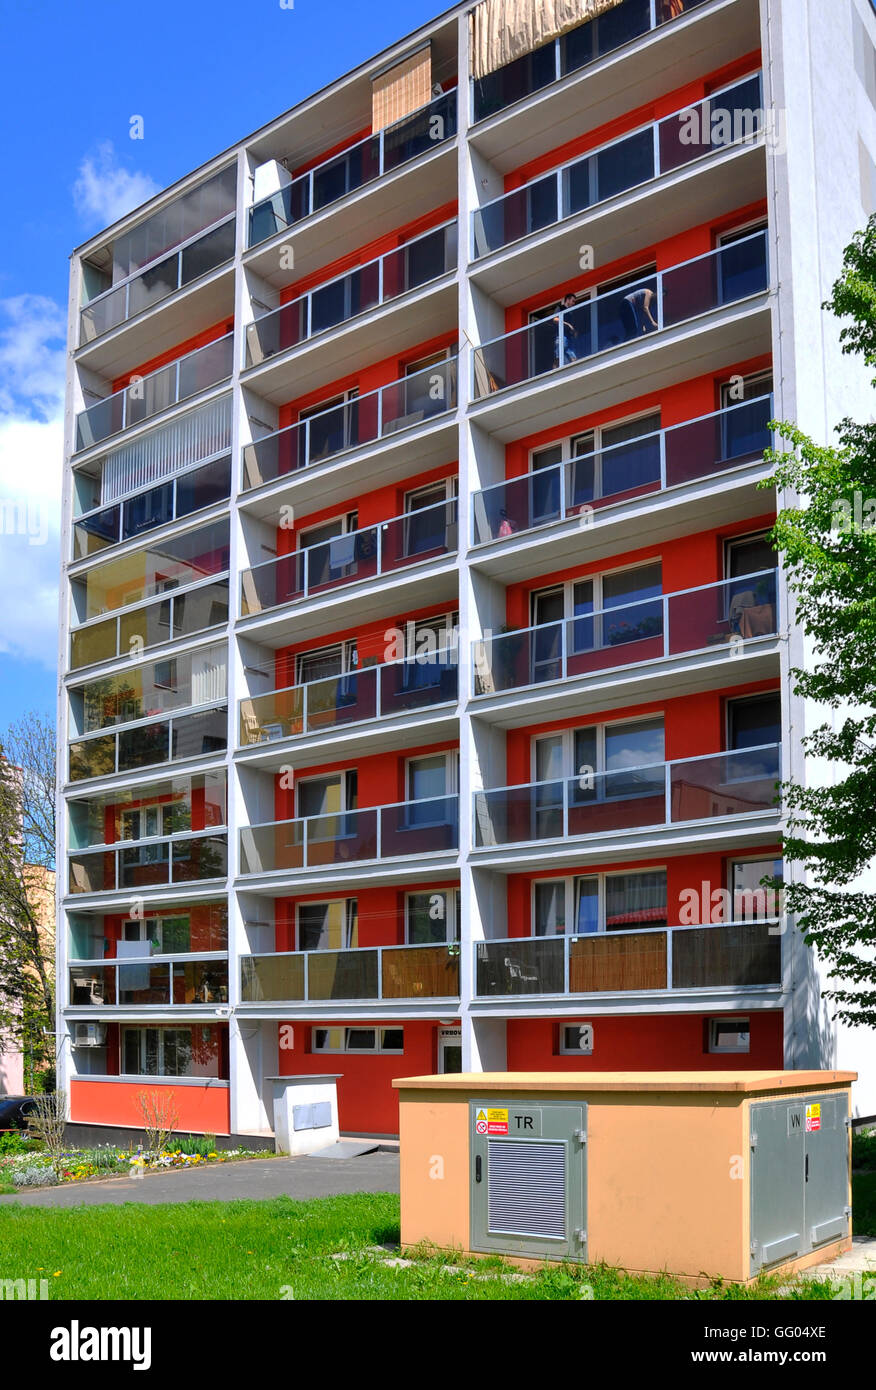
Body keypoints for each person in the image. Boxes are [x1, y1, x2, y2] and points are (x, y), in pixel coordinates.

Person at [553, 291, 581, 366]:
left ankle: (575, 370)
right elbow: (555, 319)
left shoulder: (570, 312)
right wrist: (567, 324)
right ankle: (555, 370)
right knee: (558, 356)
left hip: (569, 337)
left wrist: (574, 331)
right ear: (567, 300)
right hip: (561, 336)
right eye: (573, 301)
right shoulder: (560, 308)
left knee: (572, 355)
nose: (574, 303)